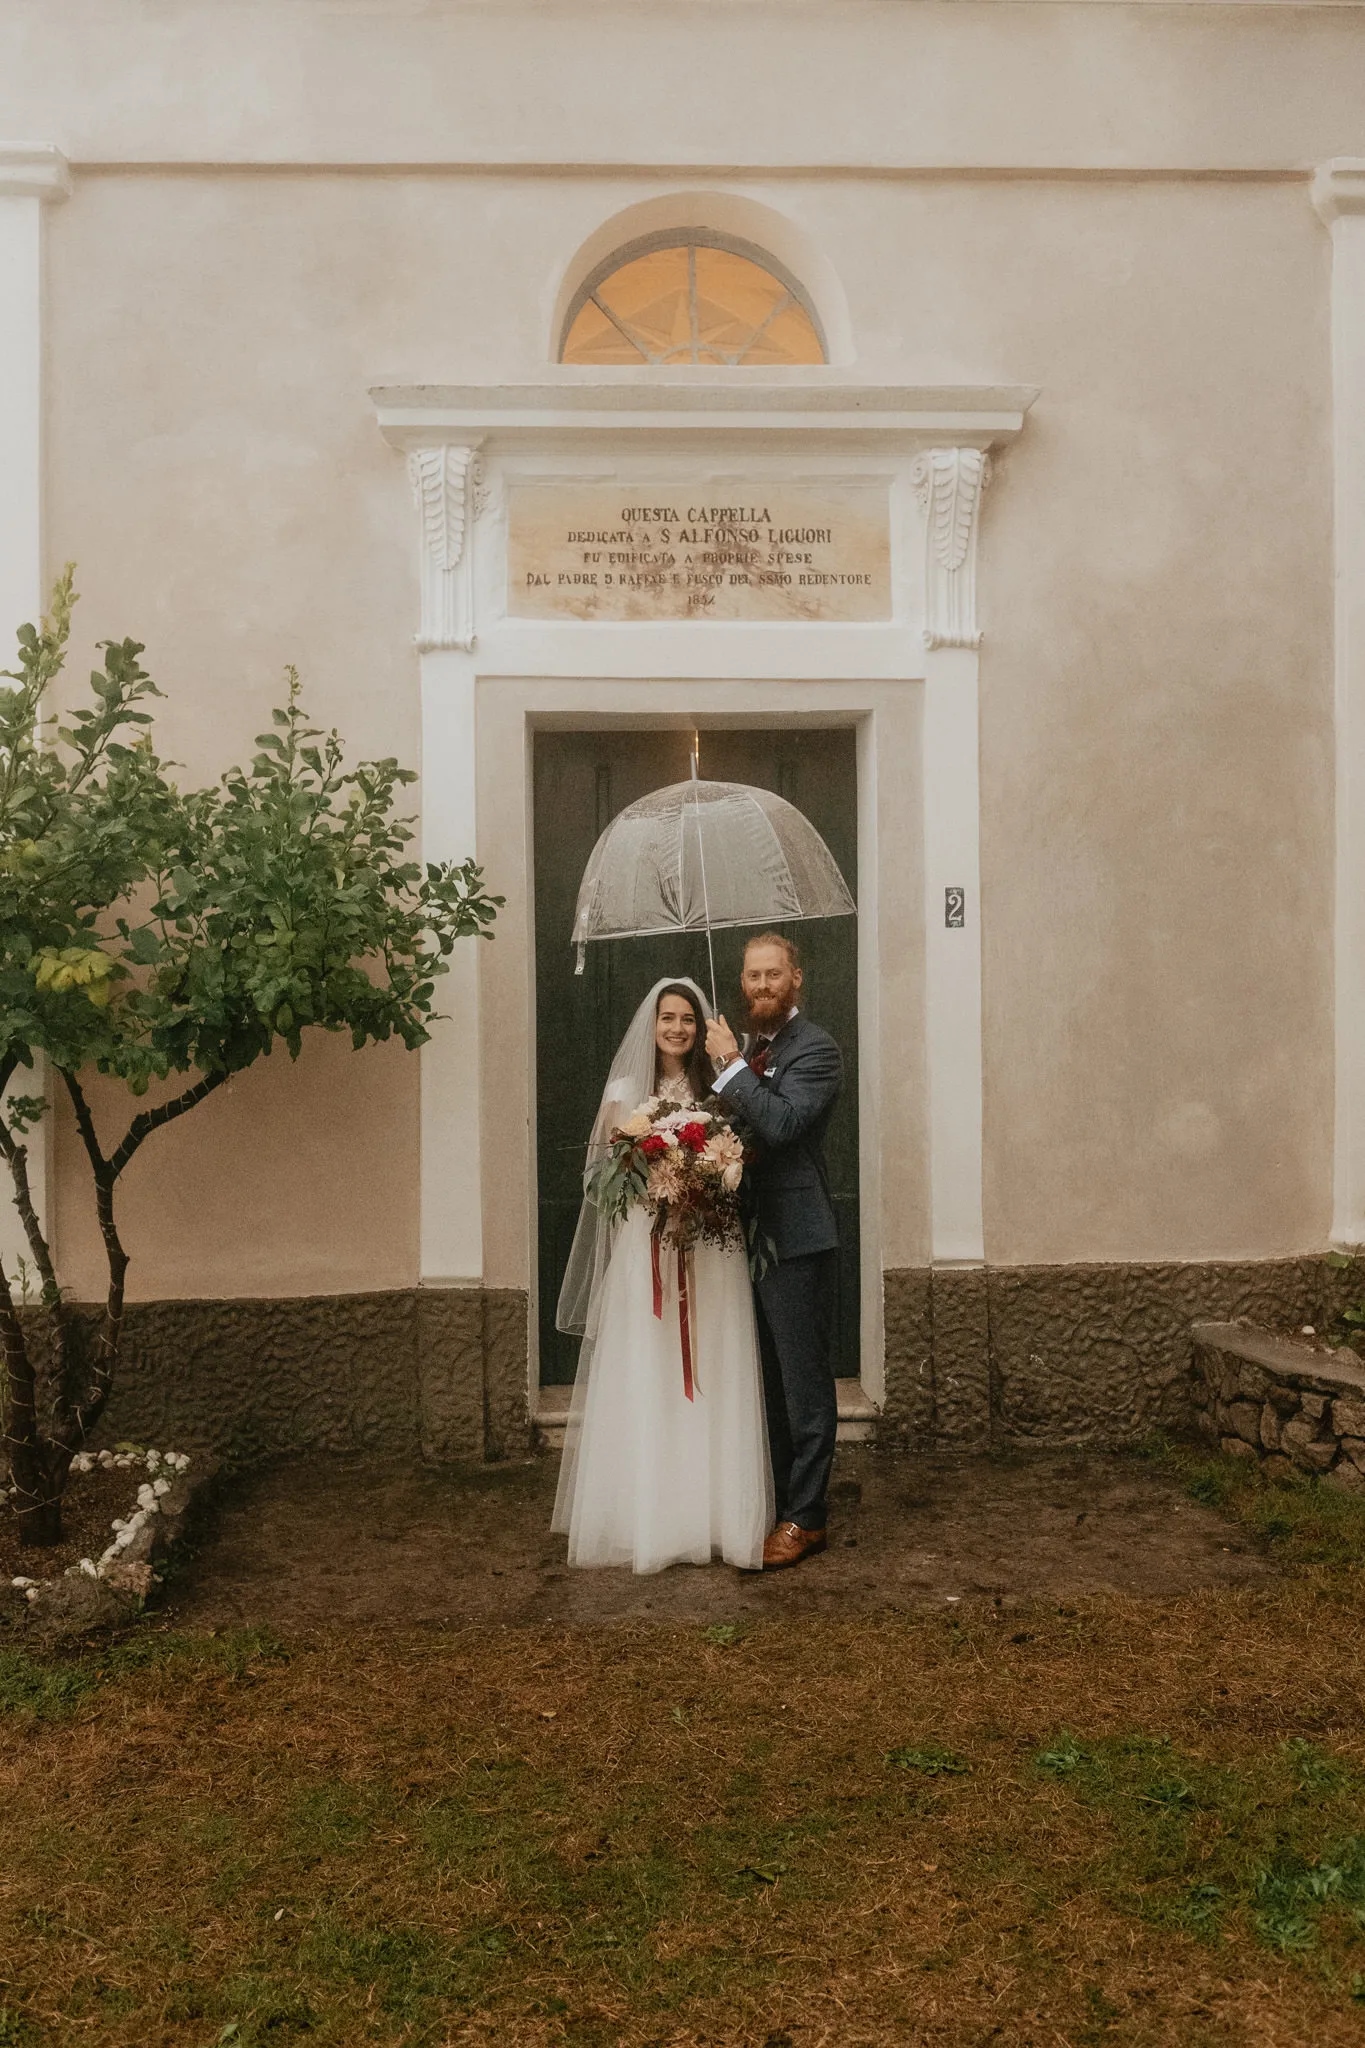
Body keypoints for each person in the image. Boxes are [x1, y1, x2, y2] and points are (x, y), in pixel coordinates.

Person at [551, 977, 773, 1574]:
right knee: (650, 1369)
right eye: (667, 1018)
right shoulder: (626, 1090)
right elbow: (605, 1174)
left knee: (710, 1368)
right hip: (647, 1248)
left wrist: (702, 1174)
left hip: (709, 1251)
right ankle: (648, 1517)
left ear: (702, 1029)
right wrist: (659, 1175)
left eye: (688, 1020)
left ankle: (715, 1515)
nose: (677, 1028)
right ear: (651, 1026)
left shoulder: (718, 1092)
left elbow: (738, 1157)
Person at [706, 934, 843, 1571]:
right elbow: (744, 1130)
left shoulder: (815, 1049)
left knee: (805, 1384)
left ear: (796, 978)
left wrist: (731, 1069)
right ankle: (788, 1499)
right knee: (768, 1383)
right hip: (748, 1237)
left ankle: (807, 1518)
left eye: (773, 975)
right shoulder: (756, 1048)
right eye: (752, 976)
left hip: (798, 1236)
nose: (761, 986)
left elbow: (785, 1125)